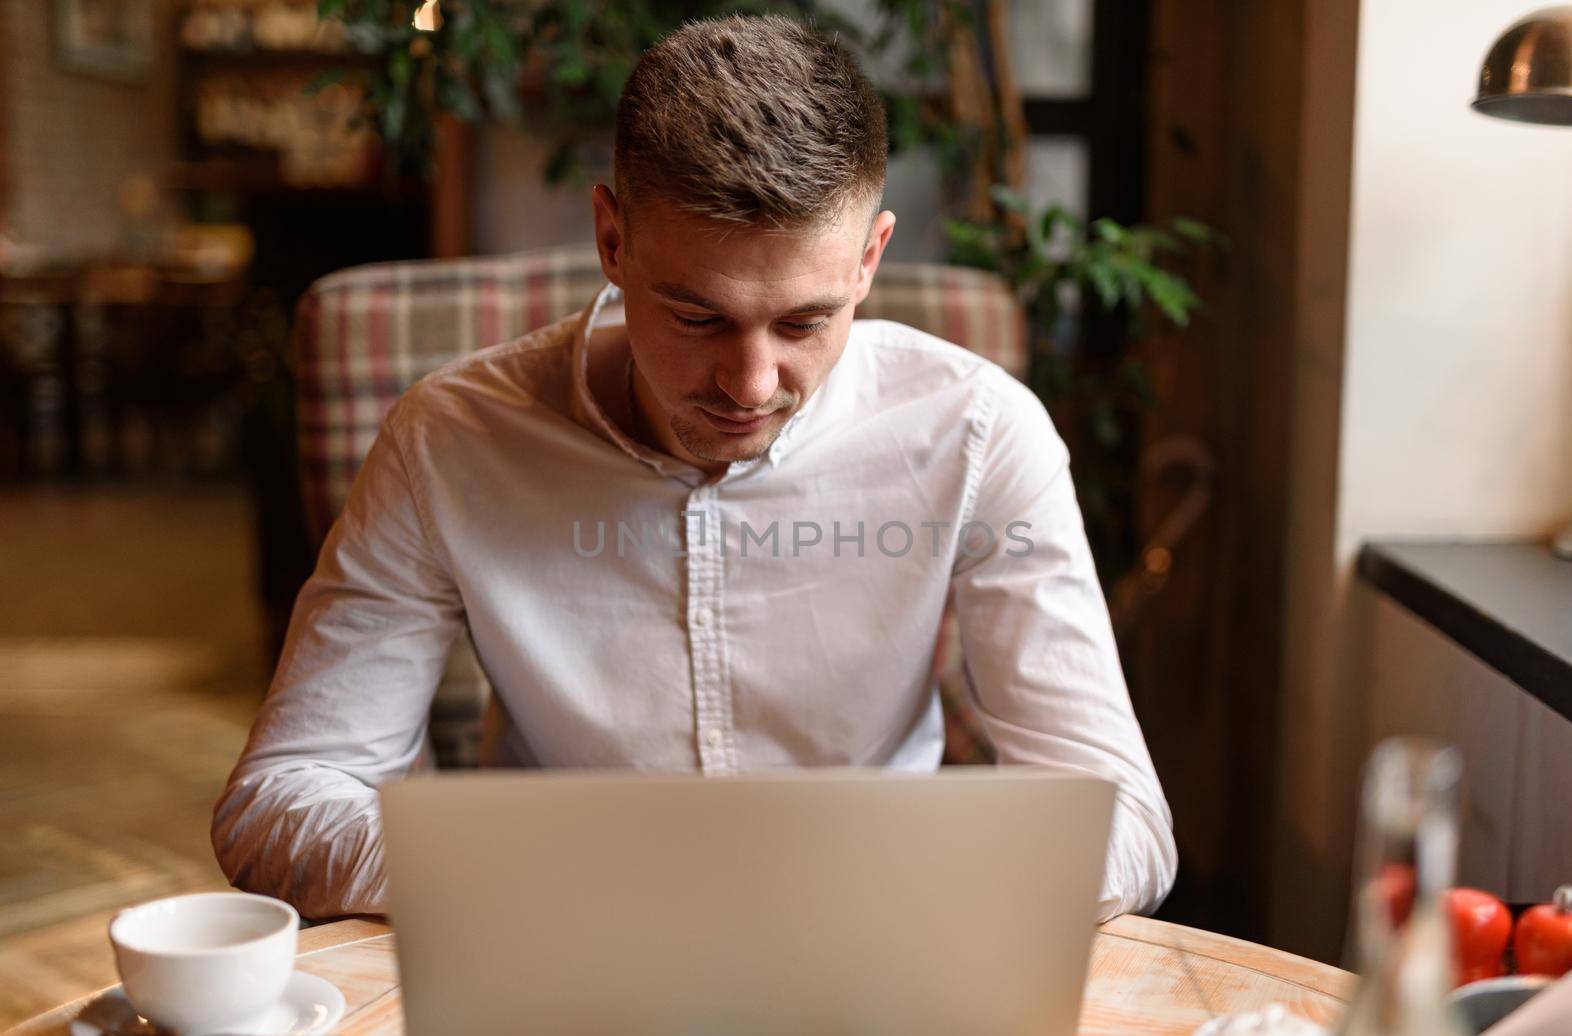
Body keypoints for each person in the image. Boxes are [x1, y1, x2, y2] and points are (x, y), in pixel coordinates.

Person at [212, 13, 1176, 922]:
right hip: (555, 943)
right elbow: (276, 803)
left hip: (873, 938)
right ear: (612, 242)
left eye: (804, 321)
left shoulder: (980, 433)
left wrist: (897, 880)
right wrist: (572, 876)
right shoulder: (447, 443)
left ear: (870, 259)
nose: (751, 384)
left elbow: (1125, 820)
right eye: (698, 317)